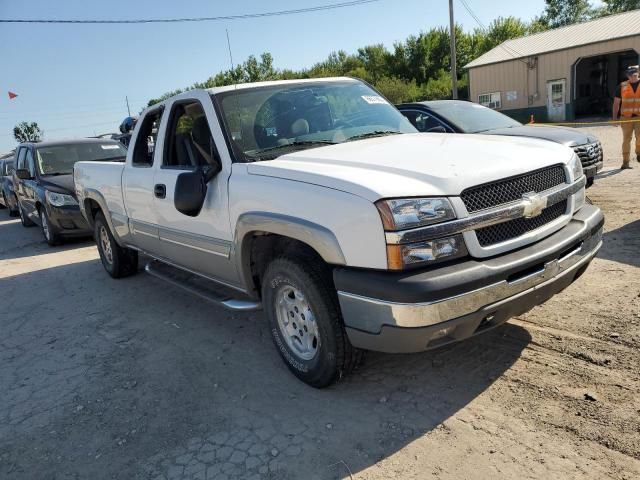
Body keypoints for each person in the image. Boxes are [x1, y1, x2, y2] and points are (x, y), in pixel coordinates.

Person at [613, 65, 640, 169]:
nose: (632, 77)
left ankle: (638, 152)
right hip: (626, 118)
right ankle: (625, 162)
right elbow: (616, 103)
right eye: (630, 75)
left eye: (634, 75)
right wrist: (614, 118)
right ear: (627, 75)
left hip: (639, 117)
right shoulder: (622, 86)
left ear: (638, 74)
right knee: (626, 140)